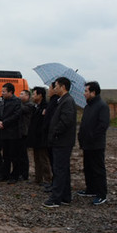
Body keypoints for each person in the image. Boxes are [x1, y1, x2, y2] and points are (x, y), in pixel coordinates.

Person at [43, 77, 76, 208]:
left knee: (59, 170)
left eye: (56, 86)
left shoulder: (67, 101)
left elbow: (65, 121)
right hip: (60, 141)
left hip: (62, 141)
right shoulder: (61, 100)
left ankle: (56, 199)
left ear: (62, 87)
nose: (54, 88)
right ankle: (65, 197)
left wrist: (54, 133)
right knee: (63, 170)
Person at [77, 81, 110, 205]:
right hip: (87, 144)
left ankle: (101, 194)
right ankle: (90, 189)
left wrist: (91, 137)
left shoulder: (102, 106)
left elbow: (103, 125)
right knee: (88, 168)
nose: (84, 93)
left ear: (93, 92)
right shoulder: (88, 106)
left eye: (86, 91)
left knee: (98, 169)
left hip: (96, 144)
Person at [0, 83, 22, 183]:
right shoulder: (2, 101)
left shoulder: (17, 101)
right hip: (4, 132)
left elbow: (16, 115)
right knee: (5, 155)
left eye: (4, 92)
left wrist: (4, 122)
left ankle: (15, 175)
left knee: (14, 155)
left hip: (13, 133)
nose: (2, 93)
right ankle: (5, 174)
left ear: (10, 92)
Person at [27, 86, 51, 186]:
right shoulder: (36, 107)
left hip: (42, 138)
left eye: (34, 94)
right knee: (36, 158)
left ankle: (47, 179)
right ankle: (38, 178)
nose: (32, 96)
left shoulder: (46, 107)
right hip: (35, 138)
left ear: (40, 95)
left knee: (43, 159)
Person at [15, 89, 33, 181]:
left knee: (23, 155)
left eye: (22, 94)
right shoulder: (21, 105)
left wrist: (17, 102)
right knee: (18, 154)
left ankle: (24, 174)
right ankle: (19, 172)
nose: (19, 96)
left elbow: (22, 110)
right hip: (19, 132)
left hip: (24, 132)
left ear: (27, 96)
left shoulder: (29, 105)